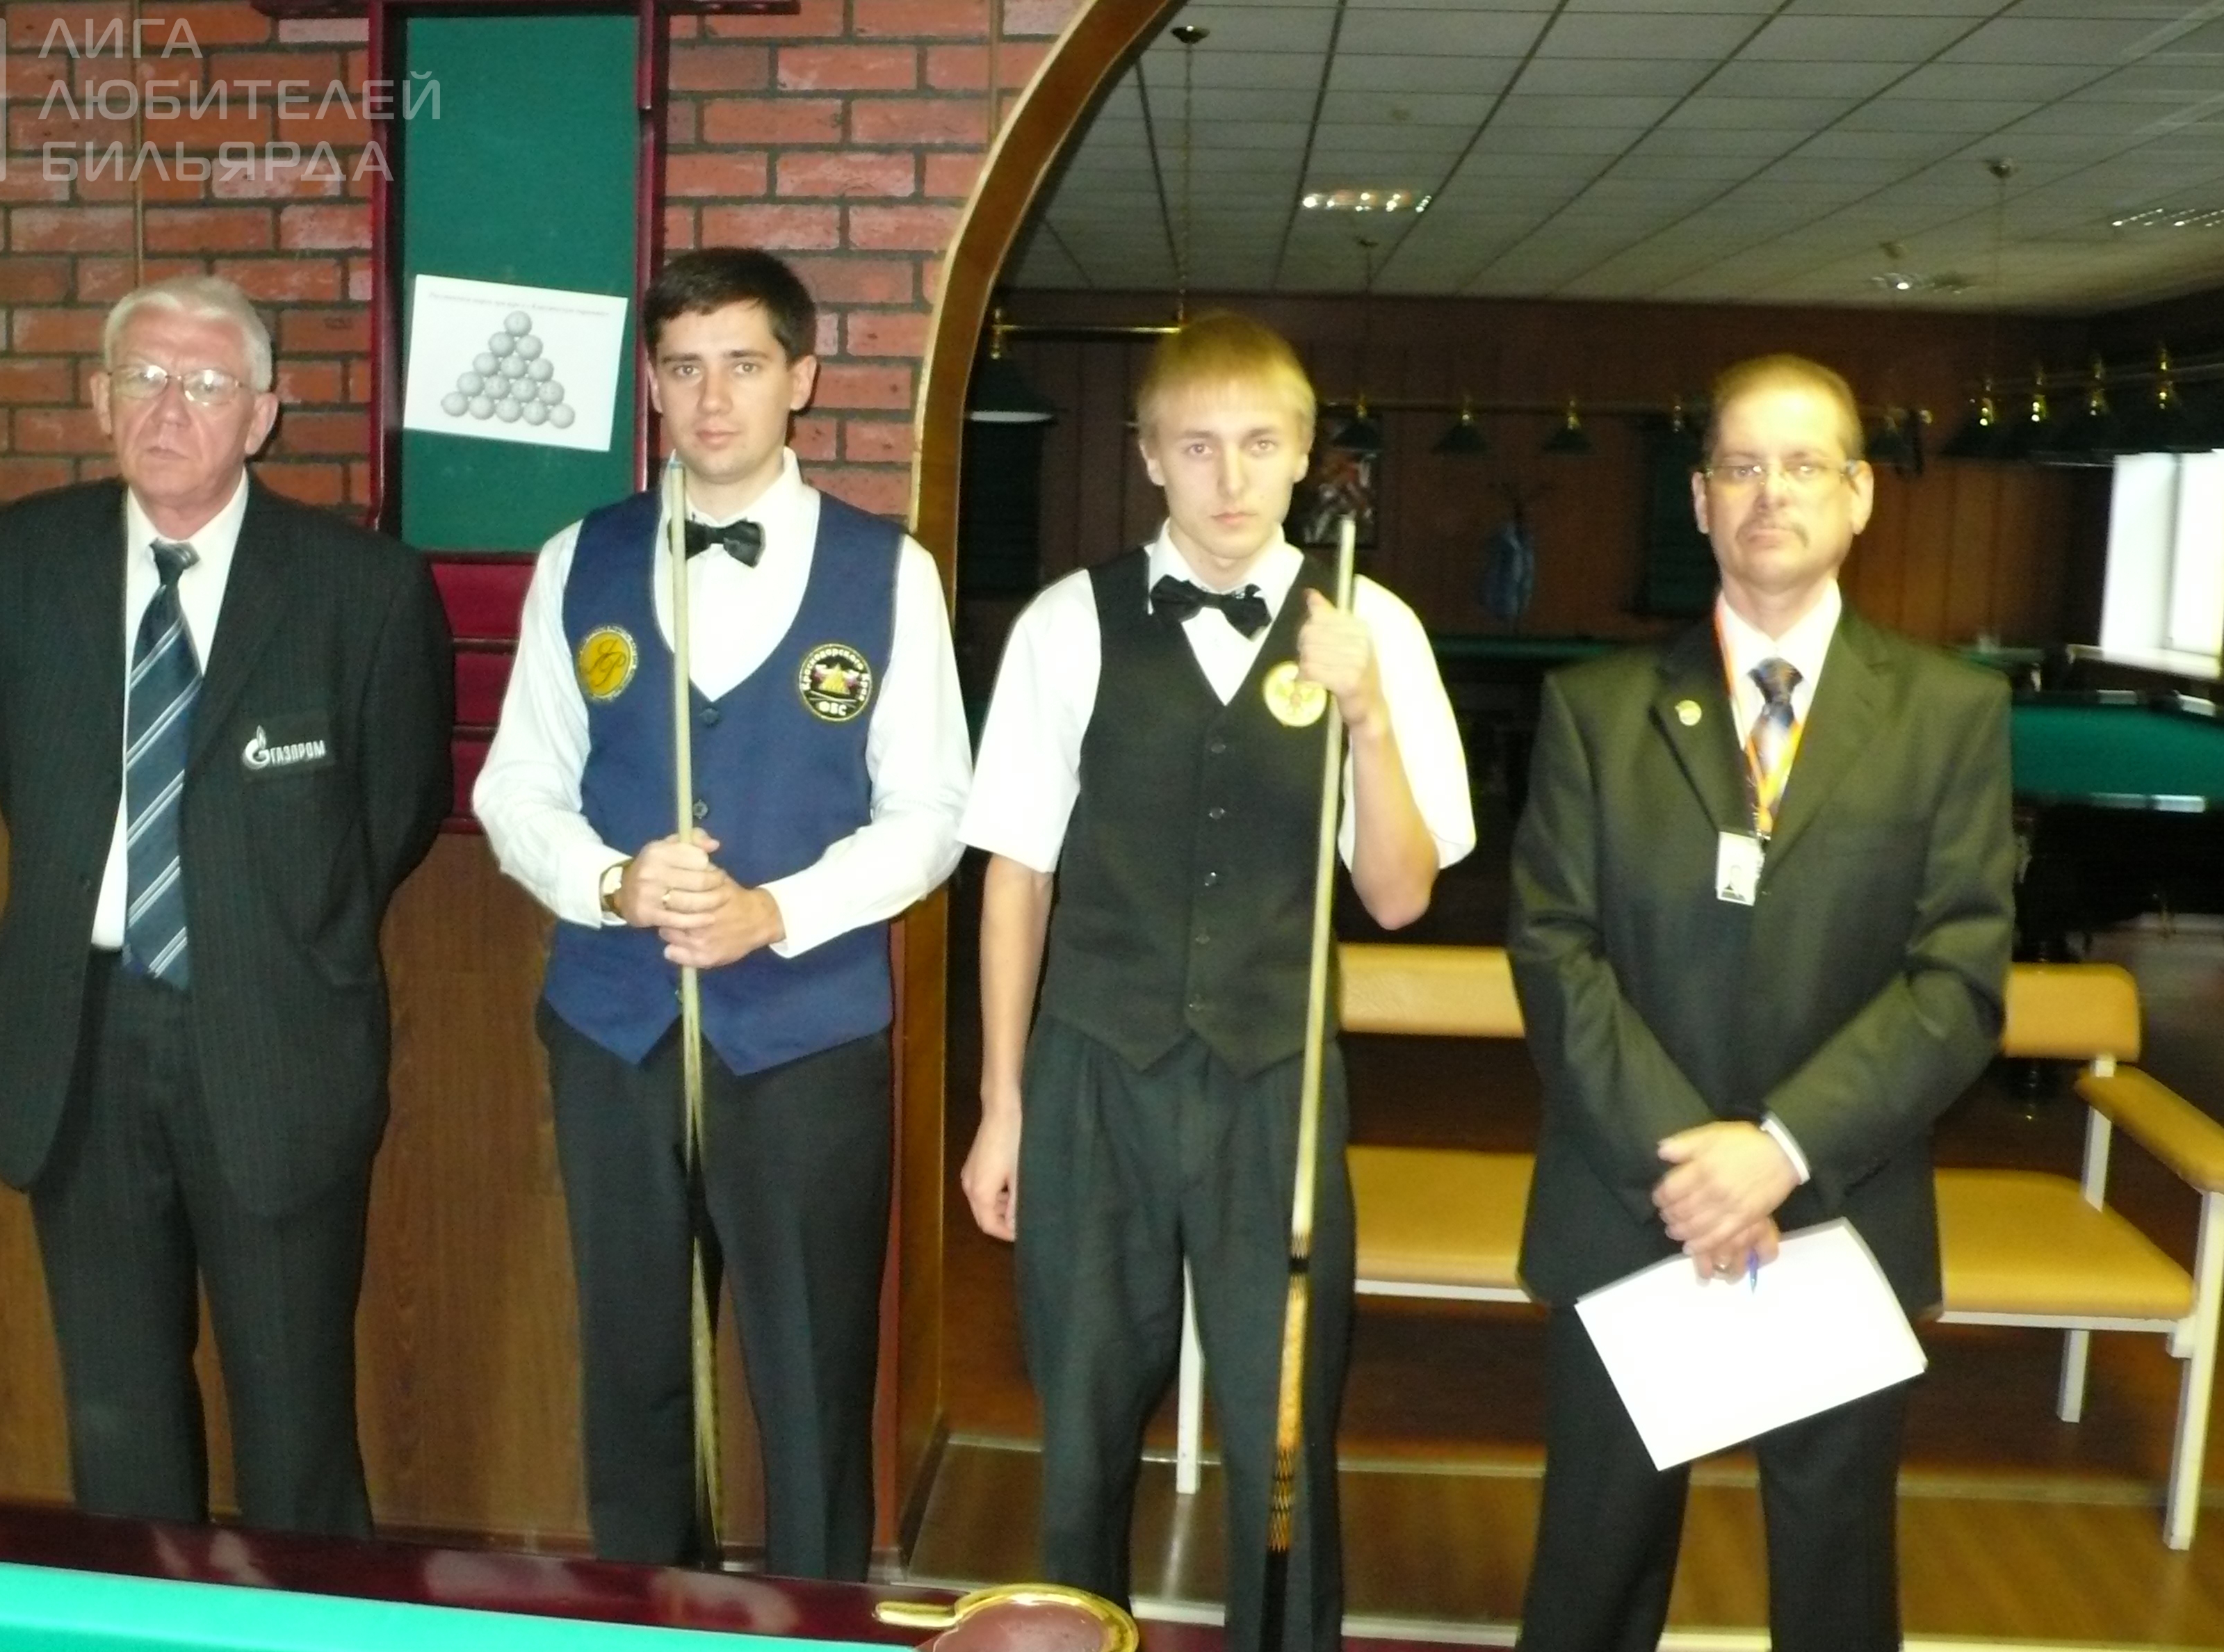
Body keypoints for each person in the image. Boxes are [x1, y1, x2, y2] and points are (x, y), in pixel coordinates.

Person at [957, 312, 1475, 1652]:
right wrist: (1004, 1105)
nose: (1231, 478)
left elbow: (1400, 895)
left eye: (1258, 444)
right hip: (1094, 1073)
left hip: (1275, 1085)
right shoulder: (1067, 624)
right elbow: (1015, 878)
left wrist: (1367, 716)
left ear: (1305, 455)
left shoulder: (1378, 629)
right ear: (1148, 456)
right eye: (1198, 447)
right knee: (1082, 1422)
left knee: (1281, 1422)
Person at [1507, 353, 2017, 1651]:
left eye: (1802, 465)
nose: (1769, 493)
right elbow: (1555, 952)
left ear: (1860, 495)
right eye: (1740, 466)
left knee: (1836, 1589)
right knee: (1592, 1576)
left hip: (1841, 1206)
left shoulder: (1951, 715)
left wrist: (1778, 1151)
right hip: (1632, 1204)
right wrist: (1690, 1170)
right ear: (1700, 499)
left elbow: (1957, 980)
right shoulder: (1594, 711)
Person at [474, 248, 969, 1580]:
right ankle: (649, 1611)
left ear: (801, 378)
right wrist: (610, 883)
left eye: (743, 365)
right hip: (615, 1028)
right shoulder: (581, 559)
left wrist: (777, 912)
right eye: (684, 368)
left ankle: (817, 1623)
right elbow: (516, 784)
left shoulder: (889, 572)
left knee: (811, 1380)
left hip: (805, 1039)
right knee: (636, 1368)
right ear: (651, 384)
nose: (711, 399)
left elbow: (931, 814)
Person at [0, 273, 455, 1537]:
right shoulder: (14, 561)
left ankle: (309, 1624)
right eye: (142, 377)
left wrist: (258, 919)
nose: (167, 408)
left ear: (263, 415)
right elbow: (11, 762)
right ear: (98, 398)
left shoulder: (362, 588)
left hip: (275, 1037)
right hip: (77, 1036)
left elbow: (393, 812)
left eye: (206, 384)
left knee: (295, 1422)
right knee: (115, 1419)